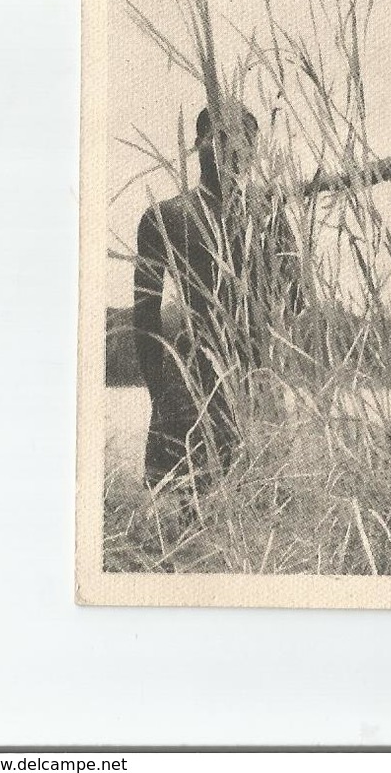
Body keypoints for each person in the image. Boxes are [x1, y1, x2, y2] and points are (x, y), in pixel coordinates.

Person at [132, 102, 301, 492]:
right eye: (219, 136)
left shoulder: (267, 211)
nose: (232, 148)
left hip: (254, 376)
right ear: (197, 144)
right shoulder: (164, 216)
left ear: (255, 151)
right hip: (189, 380)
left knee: (260, 502)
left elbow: (296, 297)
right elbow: (145, 317)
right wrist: (161, 394)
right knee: (191, 506)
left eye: (244, 139)